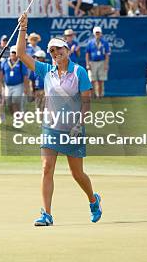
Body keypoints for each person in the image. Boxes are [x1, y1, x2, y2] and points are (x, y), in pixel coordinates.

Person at [15, 12, 102, 227]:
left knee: (77, 173)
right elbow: (20, 53)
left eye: (59, 49)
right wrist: (23, 28)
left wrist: (78, 125)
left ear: (68, 50)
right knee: (47, 168)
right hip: (51, 127)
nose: (55, 53)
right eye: (52, 51)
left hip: (73, 128)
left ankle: (93, 200)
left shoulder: (79, 72)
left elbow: (86, 103)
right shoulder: (46, 70)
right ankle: (46, 214)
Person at [0, 46, 30, 115]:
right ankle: (14, 115)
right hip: (7, 86)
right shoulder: (5, 62)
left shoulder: (21, 63)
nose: (14, 54)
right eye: (13, 52)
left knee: (15, 101)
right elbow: (1, 73)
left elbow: (25, 76)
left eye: (15, 53)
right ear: (10, 53)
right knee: (8, 102)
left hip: (18, 85)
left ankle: (17, 117)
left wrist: (26, 87)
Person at [85, 27, 111, 98]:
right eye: (96, 33)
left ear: (101, 33)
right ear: (94, 34)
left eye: (98, 33)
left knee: (101, 80)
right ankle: (92, 95)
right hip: (92, 62)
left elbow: (107, 54)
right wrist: (87, 64)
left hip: (102, 62)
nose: (97, 34)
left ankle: (100, 95)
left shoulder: (104, 42)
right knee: (92, 80)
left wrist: (106, 64)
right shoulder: (90, 42)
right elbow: (87, 54)